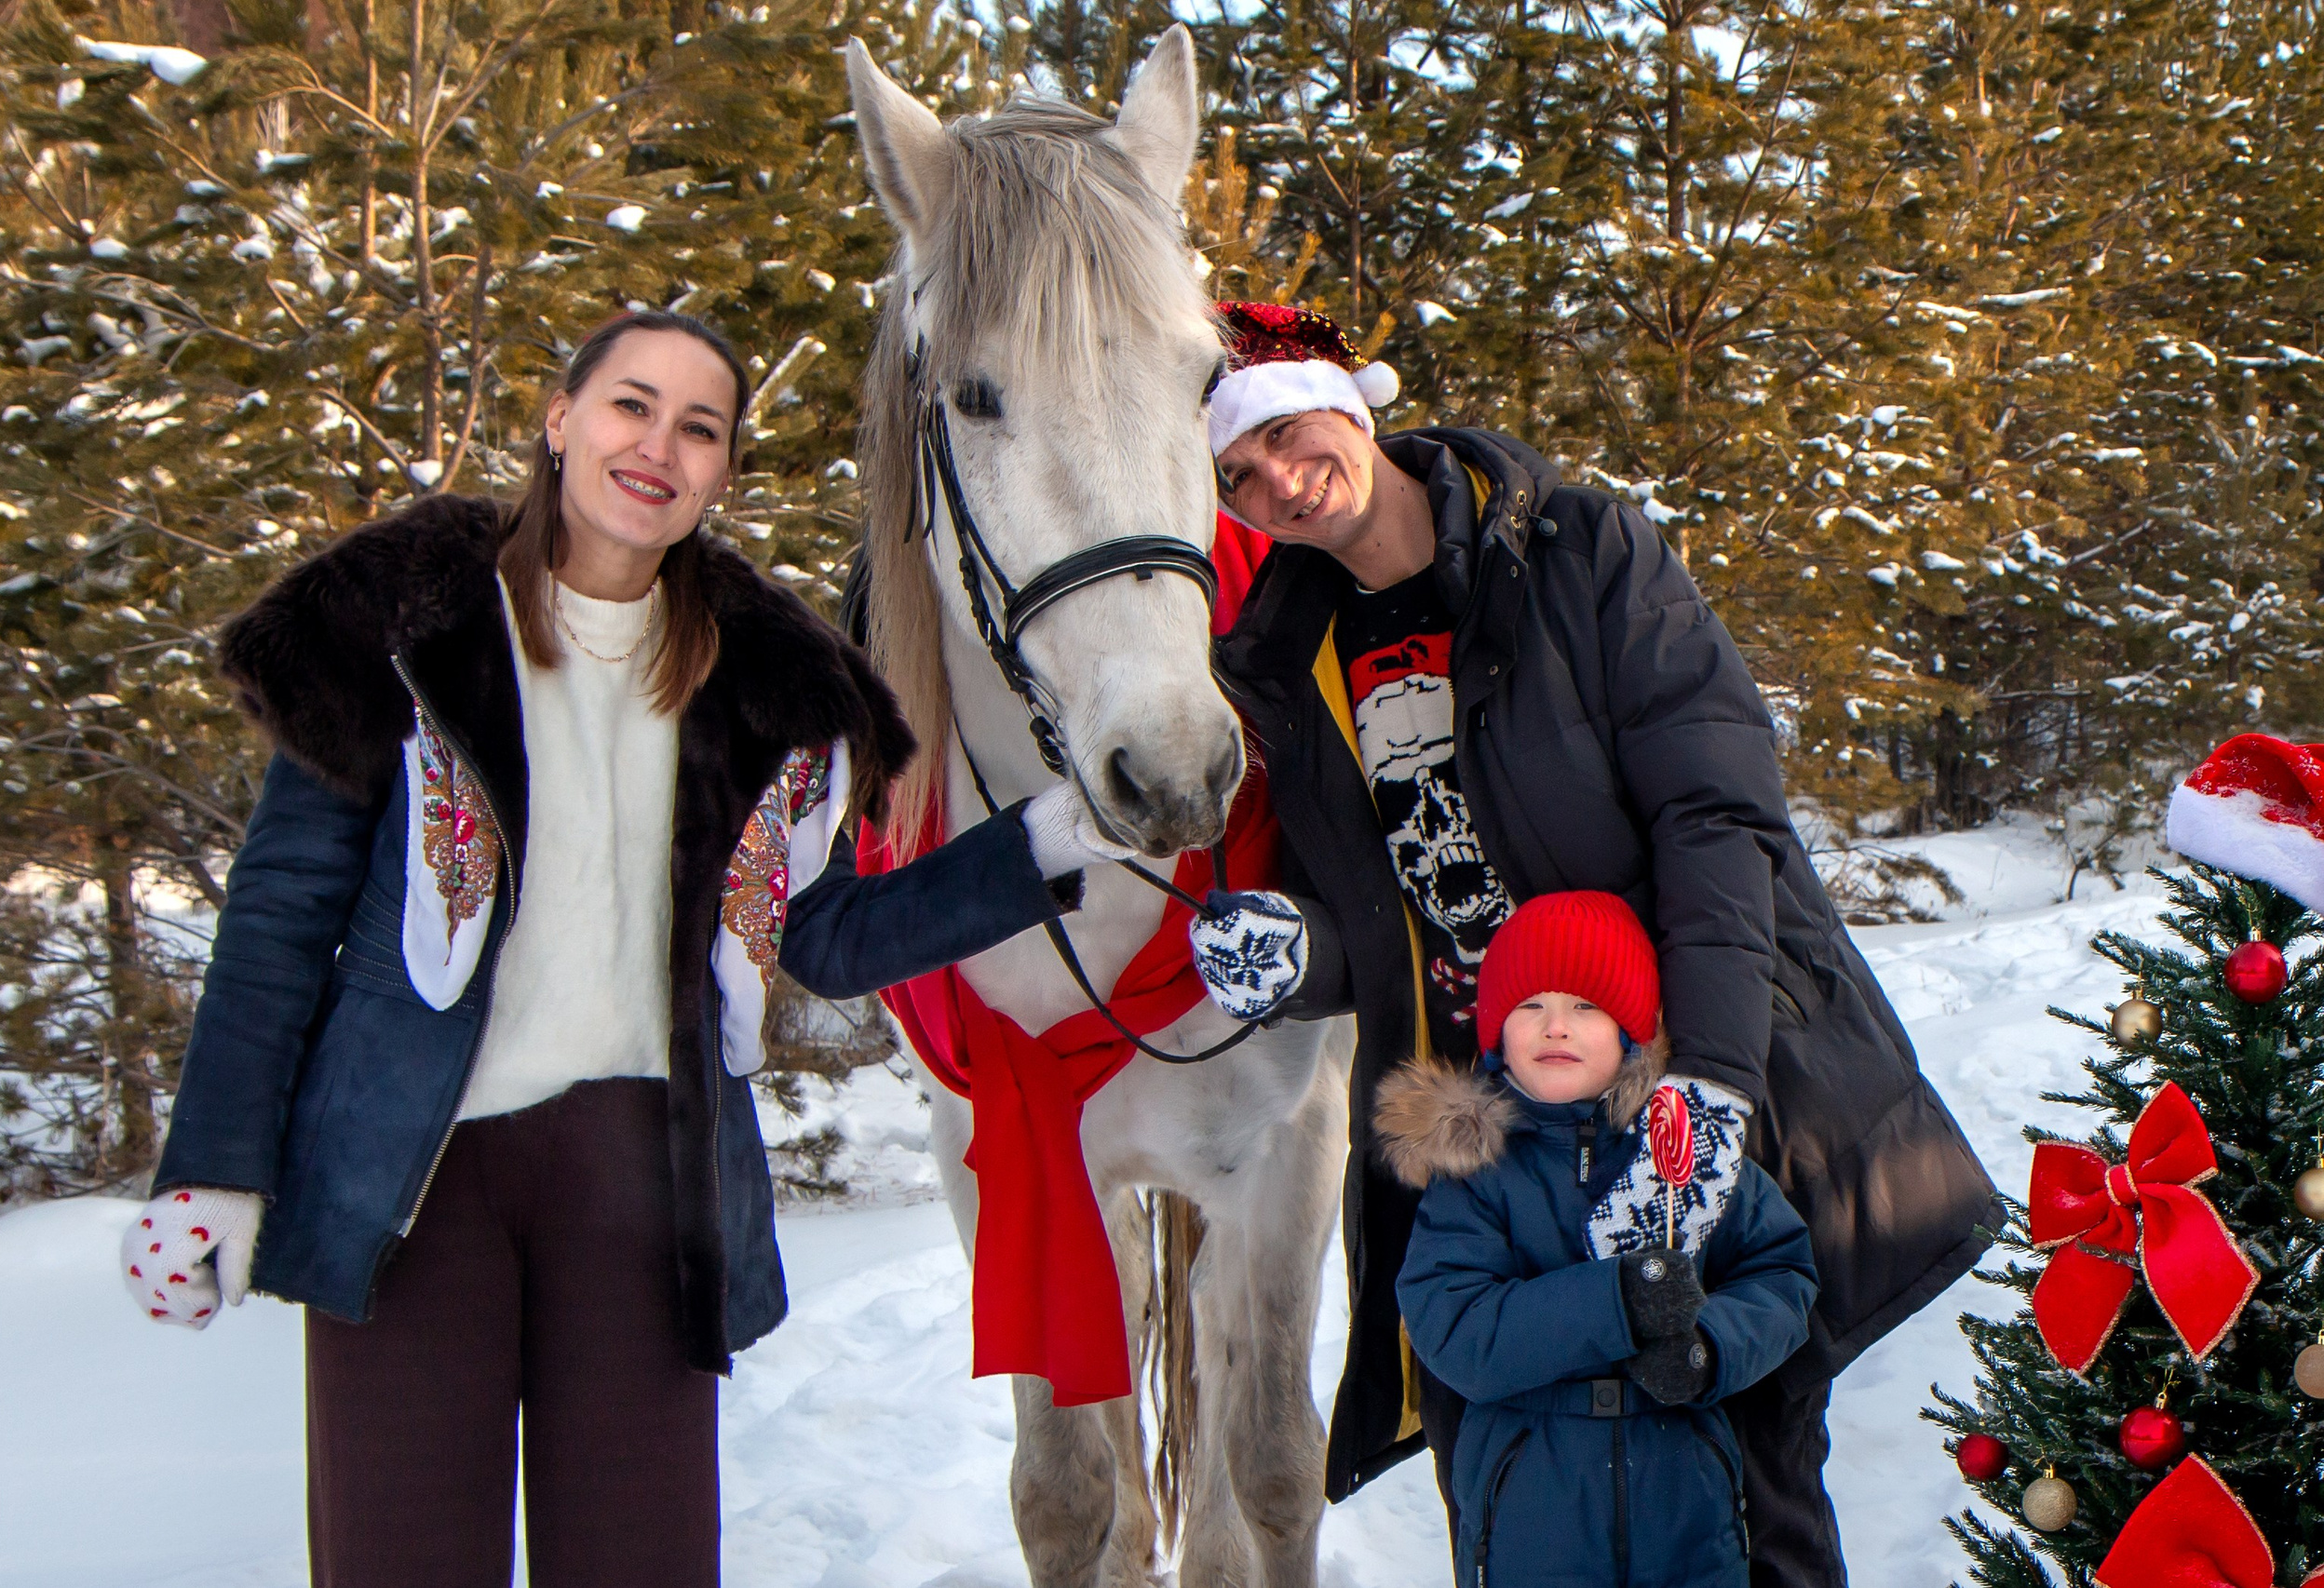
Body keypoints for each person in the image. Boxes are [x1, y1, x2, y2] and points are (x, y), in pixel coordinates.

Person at [117, 309, 1121, 1588]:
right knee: (403, 1559)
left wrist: (1040, 842)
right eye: (631, 405)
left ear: (722, 471)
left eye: (700, 428)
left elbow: (820, 930)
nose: (660, 446)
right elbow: (276, 921)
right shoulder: (400, 627)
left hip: (641, 1183)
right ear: (561, 419)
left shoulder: (765, 689)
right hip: (413, 1173)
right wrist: (212, 1168)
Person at [1201, 301, 1999, 1588]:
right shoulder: (1290, 660)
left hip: (1663, 1082)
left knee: (1740, 1485)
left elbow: (1717, 815)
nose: (1276, 484)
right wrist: (1299, 958)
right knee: (1509, 1495)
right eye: (1237, 476)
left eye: (1288, 435)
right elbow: (1381, 917)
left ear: (1352, 405)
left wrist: (1709, 1093)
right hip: (1484, 1146)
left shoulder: (1577, 553)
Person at [1385, 891, 1817, 1588]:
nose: (1556, 1027)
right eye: (1531, 1006)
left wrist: (1711, 1347)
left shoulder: (1688, 1155)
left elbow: (1782, 1275)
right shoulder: (1473, 1174)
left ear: (1631, 1032)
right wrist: (1614, 1301)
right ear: (1496, 1034)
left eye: (1586, 1006)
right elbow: (1455, 1327)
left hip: (1687, 1510)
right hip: (1531, 1517)